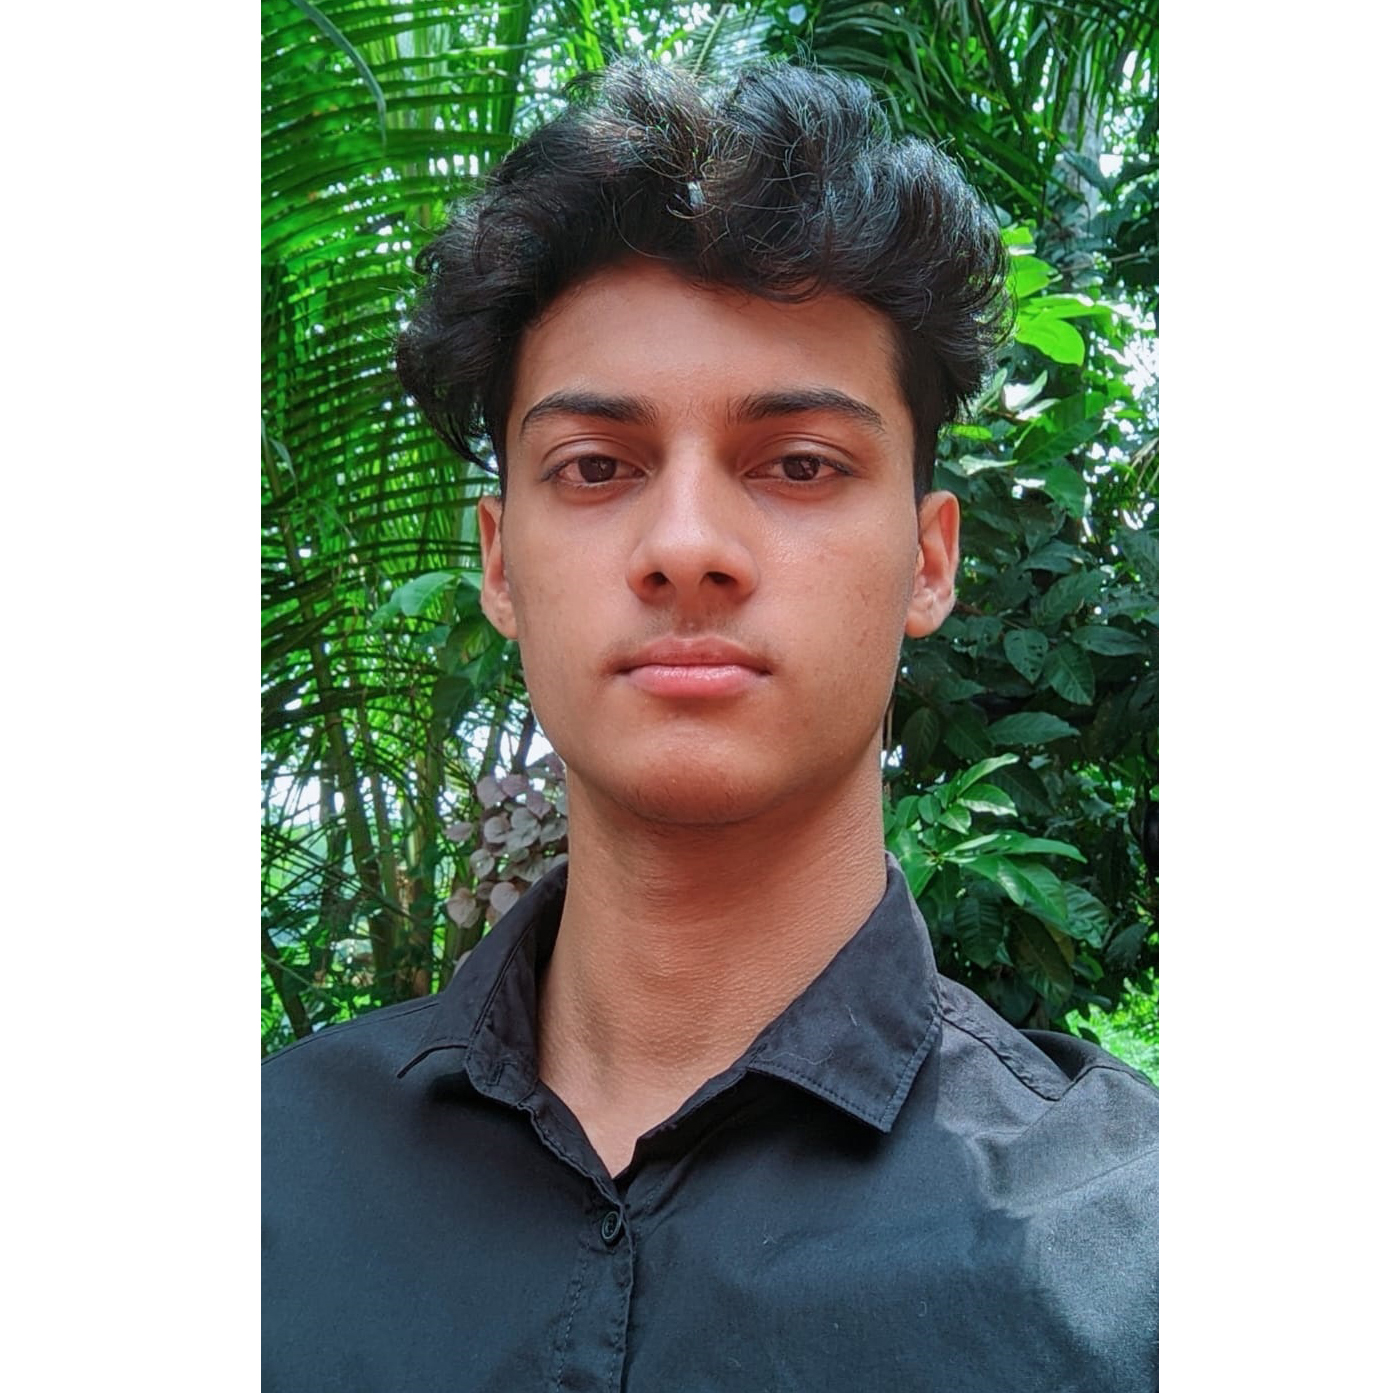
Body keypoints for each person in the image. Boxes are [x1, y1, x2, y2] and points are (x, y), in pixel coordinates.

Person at [263, 60, 1157, 1392]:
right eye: (596, 467)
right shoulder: (253, 1187)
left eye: (798, 463)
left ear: (928, 561)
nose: (685, 545)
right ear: (500, 562)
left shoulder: (1143, 1264)